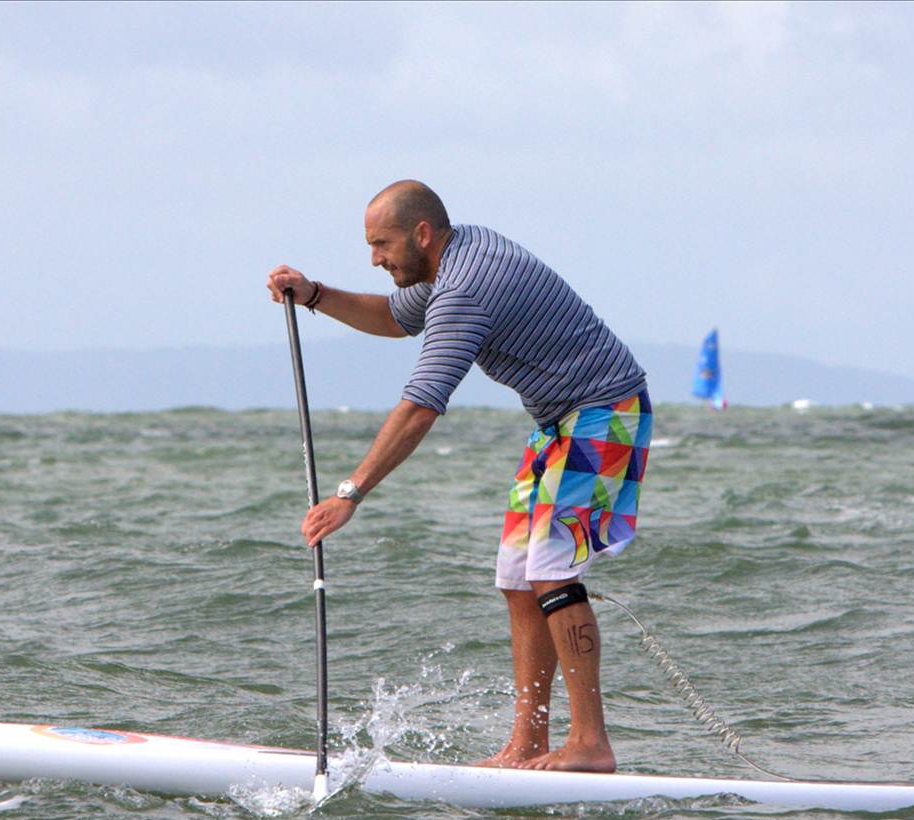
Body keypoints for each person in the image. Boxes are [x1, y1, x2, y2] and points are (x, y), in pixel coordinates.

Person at [267, 181, 651, 773]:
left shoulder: (467, 287)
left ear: (422, 234)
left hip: (604, 413)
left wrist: (350, 493)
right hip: (560, 422)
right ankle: (528, 741)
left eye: (381, 244)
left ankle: (591, 743)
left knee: (551, 568)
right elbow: (396, 319)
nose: (375, 258)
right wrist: (315, 294)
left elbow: (422, 403)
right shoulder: (454, 260)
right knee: (518, 576)